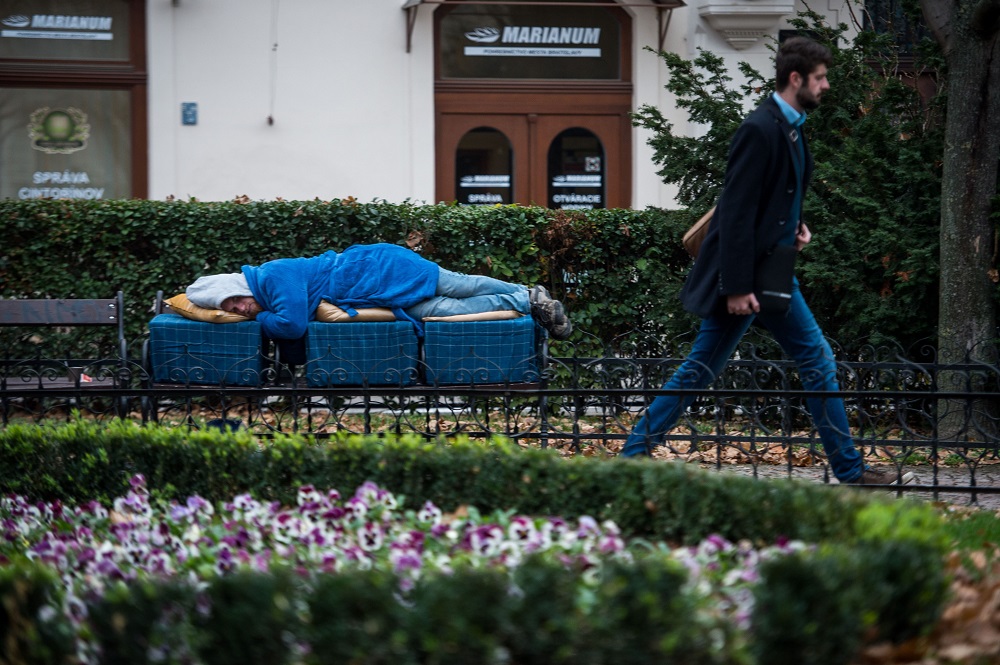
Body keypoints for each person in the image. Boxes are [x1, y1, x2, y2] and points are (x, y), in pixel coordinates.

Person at [619, 37, 915, 487]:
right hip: (746, 279)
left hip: (772, 272)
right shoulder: (760, 128)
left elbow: (775, 199)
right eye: (820, 78)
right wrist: (736, 287)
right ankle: (632, 455)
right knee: (703, 370)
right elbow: (735, 212)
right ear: (796, 79)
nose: (826, 86)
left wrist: (795, 228)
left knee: (813, 360)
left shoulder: (790, 126)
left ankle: (850, 469)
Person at [185, 242, 572, 341]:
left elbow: (290, 326)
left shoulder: (271, 276)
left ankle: (528, 294)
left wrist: (263, 319)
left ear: (237, 285)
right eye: (232, 309)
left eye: (235, 299)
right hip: (376, 295)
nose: (241, 308)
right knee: (445, 310)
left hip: (380, 269)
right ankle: (522, 302)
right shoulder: (265, 295)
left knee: (460, 284)